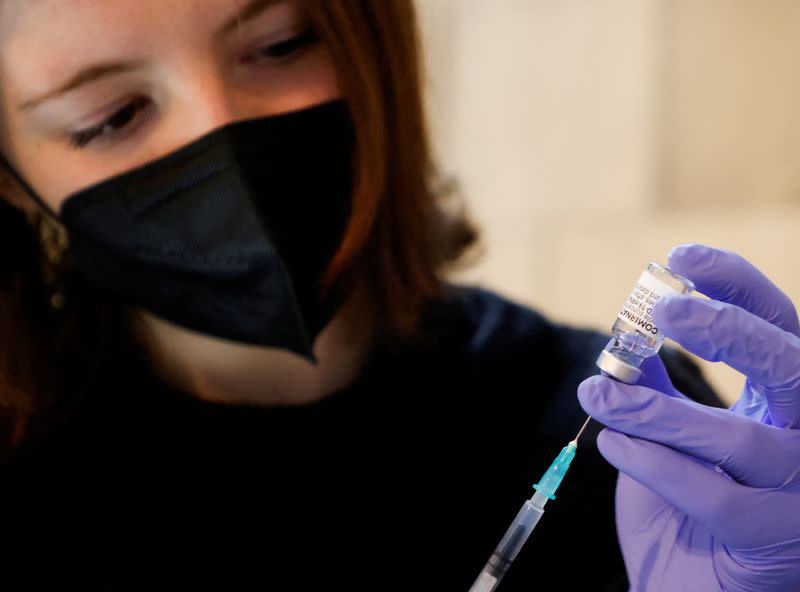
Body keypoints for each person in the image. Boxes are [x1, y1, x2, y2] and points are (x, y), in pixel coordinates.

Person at [0, 1, 798, 590]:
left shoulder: (613, 434)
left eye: (281, 44)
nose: (224, 132)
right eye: (112, 117)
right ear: (10, 179)